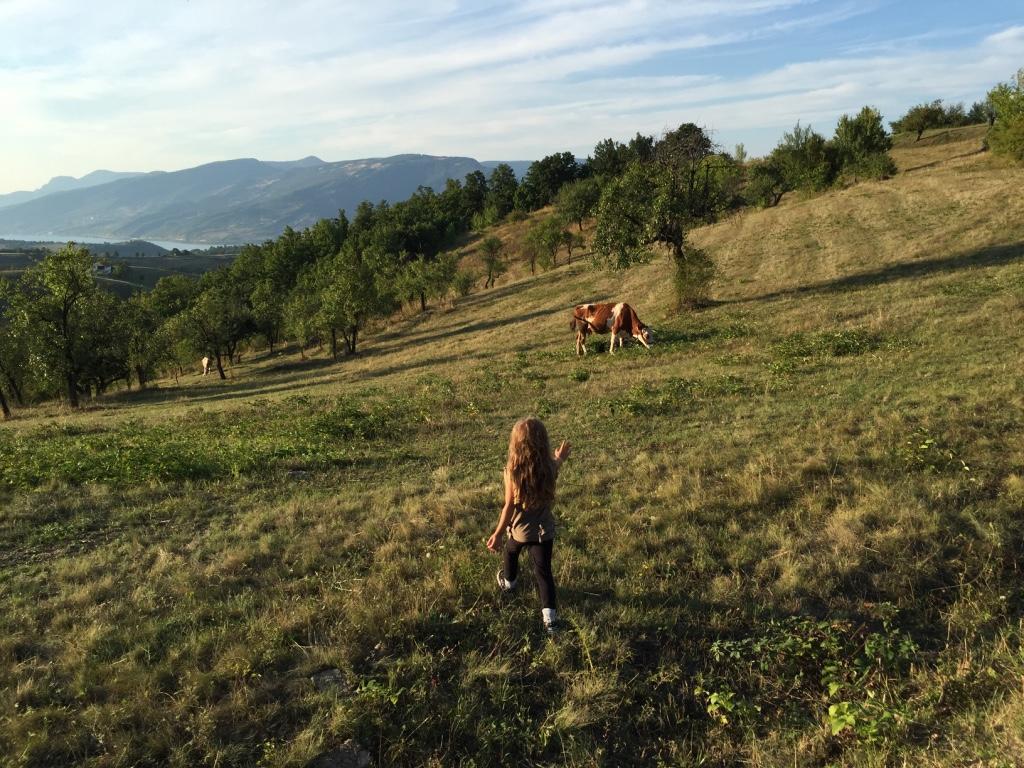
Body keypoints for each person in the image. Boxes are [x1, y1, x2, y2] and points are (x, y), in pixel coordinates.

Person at [486, 416, 571, 633]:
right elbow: (556, 464)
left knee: (511, 552)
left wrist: (497, 534)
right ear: (544, 442)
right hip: (544, 533)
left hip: (520, 532)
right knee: (544, 573)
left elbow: (509, 507)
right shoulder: (549, 467)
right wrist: (560, 458)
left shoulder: (513, 473)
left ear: (516, 443)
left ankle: (509, 582)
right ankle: (550, 619)